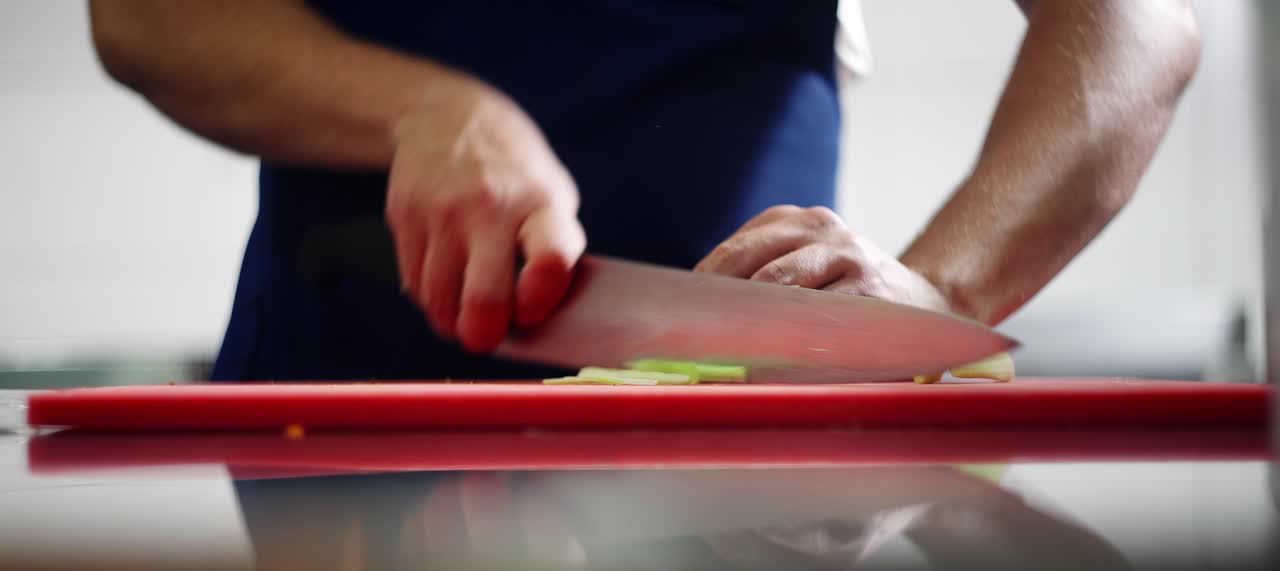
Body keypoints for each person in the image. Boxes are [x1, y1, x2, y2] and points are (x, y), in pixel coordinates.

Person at [89, 1, 1200, 382]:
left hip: (755, 532)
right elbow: (145, 17)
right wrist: (420, 111)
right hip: (329, 463)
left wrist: (941, 291)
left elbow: (1134, 23)